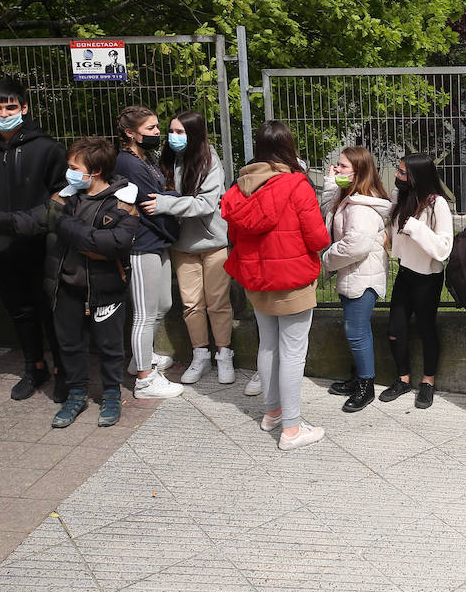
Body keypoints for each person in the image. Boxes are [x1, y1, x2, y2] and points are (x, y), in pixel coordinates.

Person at [0, 137, 142, 428]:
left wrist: (64, 225)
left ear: (94, 171)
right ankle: (76, 394)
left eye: (73, 166)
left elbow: (113, 244)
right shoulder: (63, 198)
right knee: (70, 345)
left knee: (110, 347)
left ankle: (111, 395)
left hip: (106, 288)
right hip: (65, 288)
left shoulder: (124, 201)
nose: (67, 171)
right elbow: (25, 221)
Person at [221, 121, 331, 450]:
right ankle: (292, 429)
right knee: (293, 354)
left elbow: (235, 236)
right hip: (292, 280)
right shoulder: (296, 185)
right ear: (288, 147)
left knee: (268, 345)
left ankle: (272, 413)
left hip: (256, 279)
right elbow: (317, 237)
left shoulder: (239, 187)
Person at [0, 79, 69, 403]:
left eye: (11, 107)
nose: (4, 113)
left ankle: (61, 372)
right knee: (20, 314)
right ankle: (33, 366)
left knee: (51, 312)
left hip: (42, 249)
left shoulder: (47, 148)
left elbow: (62, 196)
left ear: (24, 108)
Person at [146, 112, 233, 386]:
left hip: (213, 242)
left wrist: (165, 205)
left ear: (194, 134)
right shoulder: (166, 160)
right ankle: (200, 354)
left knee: (218, 302)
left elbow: (206, 205)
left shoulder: (209, 160)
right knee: (191, 304)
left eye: (181, 132)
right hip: (181, 245)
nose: (173, 137)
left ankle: (224, 355)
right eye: (171, 131)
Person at [114, 106, 184, 400]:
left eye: (157, 127)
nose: (158, 133)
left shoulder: (148, 158)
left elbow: (163, 195)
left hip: (159, 240)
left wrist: (170, 199)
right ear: (131, 133)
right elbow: (149, 201)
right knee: (143, 313)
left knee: (163, 304)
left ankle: (140, 359)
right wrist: (175, 199)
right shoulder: (128, 163)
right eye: (151, 128)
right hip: (142, 242)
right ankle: (144, 378)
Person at [320, 146, 391, 414]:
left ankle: (366, 386)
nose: (337, 169)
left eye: (342, 167)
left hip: (362, 277)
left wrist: (328, 258)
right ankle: (360, 376)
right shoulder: (349, 196)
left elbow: (356, 245)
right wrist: (330, 182)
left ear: (358, 172)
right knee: (356, 331)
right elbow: (329, 210)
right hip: (354, 274)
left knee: (357, 332)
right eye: (337, 165)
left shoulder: (361, 207)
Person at [381, 153, 454, 409]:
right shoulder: (401, 198)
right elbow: (390, 230)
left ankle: (428, 382)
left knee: (426, 330)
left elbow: (443, 249)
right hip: (405, 273)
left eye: (403, 173)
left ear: (417, 176)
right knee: (394, 330)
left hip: (428, 278)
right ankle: (402, 379)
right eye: (398, 171)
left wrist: (415, 227)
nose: (398, 177)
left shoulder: (437, 205)